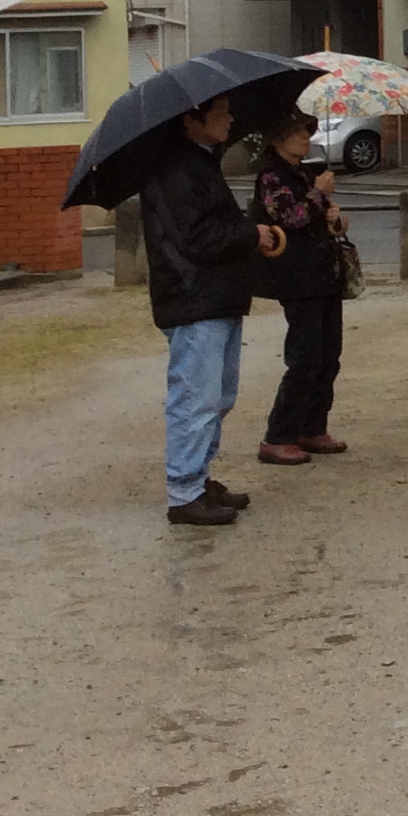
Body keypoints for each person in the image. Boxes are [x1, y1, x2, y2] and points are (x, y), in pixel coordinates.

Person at [142, 94, 281, 526]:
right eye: (220, 112)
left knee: (218, 395)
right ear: (191, 119)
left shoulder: (199, 162)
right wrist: (250, 233)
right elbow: (199, 237)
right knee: (195, 397)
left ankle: (198, 477)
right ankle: (184, 489)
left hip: (214, 296)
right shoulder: (176, 169)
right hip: (193, 297)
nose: (230, 118)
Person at [252, 113, 350, 465]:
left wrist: (334, 214)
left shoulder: (303, 173)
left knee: (328, 355)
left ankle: (312, 426)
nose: (305, 138)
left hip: (323, 273)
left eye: (307, 131)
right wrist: (318, 195)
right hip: (296, 276)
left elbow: (319, 218)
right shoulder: (271, 176)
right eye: (296, 132)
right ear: (278, 139)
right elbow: (289, 217)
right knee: (305, 356)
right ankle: (279, 434)